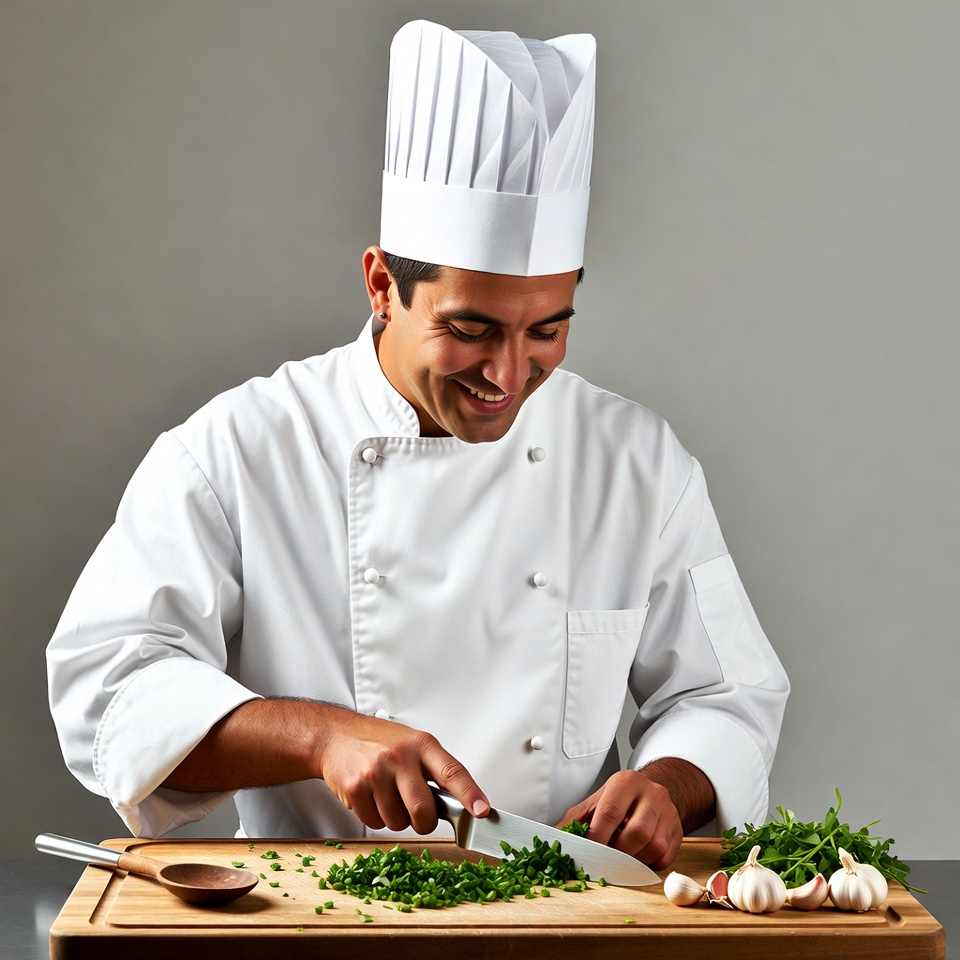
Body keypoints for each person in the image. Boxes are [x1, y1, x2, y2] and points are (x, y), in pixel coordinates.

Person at [46, 20, 789, 871]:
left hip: (564, 916)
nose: (509, 374)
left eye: (548, 331)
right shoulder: (240, 449)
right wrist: (321, 738)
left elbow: (727, 696)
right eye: (471, 329)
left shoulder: (634, 462)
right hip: (311, 919)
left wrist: (668, 781)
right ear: (380, 286)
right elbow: (107, 689)